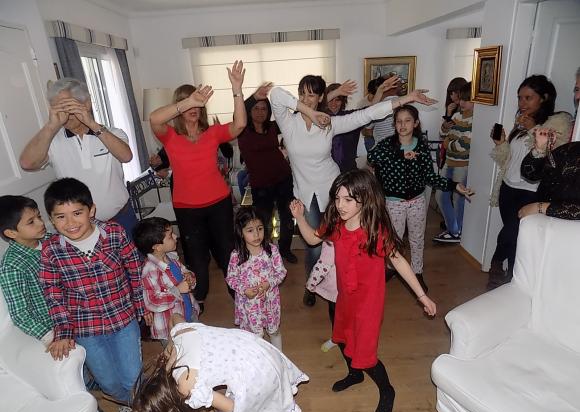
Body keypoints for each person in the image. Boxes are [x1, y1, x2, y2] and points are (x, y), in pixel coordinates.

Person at [270, 75, 436, 307]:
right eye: (302, 94)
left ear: (320, 98)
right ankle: (312, 284)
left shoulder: (329, 123)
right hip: (306, 193)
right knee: (314, 246)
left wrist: (405, 99)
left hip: (335, 192)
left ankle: (338, 288)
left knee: (338, 245)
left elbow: (365, 115)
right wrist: (309, 112)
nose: (306, 99)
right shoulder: (288, 122)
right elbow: (276, 94)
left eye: (312, 95)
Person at [289, 169, 437, 412]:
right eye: (337, 198)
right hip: (345, 298)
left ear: (365, 198)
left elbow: (398, 261)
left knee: (366, 355)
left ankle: (387, 390)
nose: (340, 205)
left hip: (369, 305)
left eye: (348, 199)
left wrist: (422, 296)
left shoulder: (375, 231)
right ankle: (354, 374)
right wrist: (300, 217)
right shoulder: (336, 224)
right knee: (343, 340)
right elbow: (313, 239)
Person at [40, 177, 149, 412]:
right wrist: (64, 331)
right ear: (52, 219)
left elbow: (135, 269)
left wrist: (141, 306)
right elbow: (53, 293)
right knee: (107, 382)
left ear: (91, 210)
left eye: (77, 213)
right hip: (86, 328)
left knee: (132, 376)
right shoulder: (51, 250)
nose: (70, 223)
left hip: (123, 319)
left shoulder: (114, 233)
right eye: (61, 217)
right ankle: (127, 402)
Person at [149, 61, 247, 312]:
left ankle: (238, 294)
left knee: (227, 253)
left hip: (219, 204)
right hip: (187, 208)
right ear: (180, 107)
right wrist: (188, 101)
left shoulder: (212, 133)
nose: (194, 108)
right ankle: (198, 298)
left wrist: (237, 89)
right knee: (196, 258)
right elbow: (154, 118)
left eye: (197, 103)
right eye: (188, 104)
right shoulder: (170, 136)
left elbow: (239, 125)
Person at [132, 316, 309, 412]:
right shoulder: (180, 334)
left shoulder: (187, 388)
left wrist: (213, 402)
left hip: (257, 372)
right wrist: (171, 345)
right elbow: (175, 317)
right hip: (259, 348)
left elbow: (229, 407)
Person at [368, 105, 473, 292]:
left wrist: (454, 185)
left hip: (417, 201)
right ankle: (392, 267)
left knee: (417, 239)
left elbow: (430, 177)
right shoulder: (387, 144)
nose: (403, 125)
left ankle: (417, 272)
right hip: (393, 202)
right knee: (394, 240)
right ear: (394, 124)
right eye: (399, 121)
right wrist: (400, 154)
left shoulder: (422, 146)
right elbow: (372, 157)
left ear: (415, 123)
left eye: (407, 121)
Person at [19, 78, 138, 237]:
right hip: (78, 228)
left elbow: (126, 156)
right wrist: (51, 126)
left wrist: (92, 124)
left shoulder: (112, 133)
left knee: (134, 254)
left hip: (121, 219)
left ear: (86, 104)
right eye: (59, 108)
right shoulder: (52, 141)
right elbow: (27, 163)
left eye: (69, 106)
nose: (66, 115)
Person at [488, 75, 573, 290]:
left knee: (513, 233)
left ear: (544, 98)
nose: (522, 103)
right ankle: (509, 277)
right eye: (520, 98)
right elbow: (509, 159)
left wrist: (534, 127)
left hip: (531, 191)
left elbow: (552, 156)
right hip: (508, 187)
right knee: (513, 234)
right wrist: (500, 143)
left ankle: (497, 264)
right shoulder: (521, 123)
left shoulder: (556, 123)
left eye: (528, 98)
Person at [237, 83, 297, 264]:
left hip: (283, 178)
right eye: (256, 108)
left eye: (264, 108)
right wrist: (254, 97)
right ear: (249, 111)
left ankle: (285, 249)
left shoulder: (272, 126)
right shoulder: (242, 129)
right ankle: (266, 252)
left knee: (287, 217)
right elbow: (239, 112)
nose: (260, 112)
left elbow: (295, 116)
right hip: (261, 184)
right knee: (263, 222)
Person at [226, 207, 286, 350]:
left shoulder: (271, 250)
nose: (256, 234)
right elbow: (231, 278)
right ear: (240, 232)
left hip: (270, 301)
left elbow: (281, 272)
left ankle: (279, 357)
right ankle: (260, 358)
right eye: (250, 230)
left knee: (274, 331)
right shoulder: (236, 255)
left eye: (260, 228)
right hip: (249, 304)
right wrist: (244, 290)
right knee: (256, 336)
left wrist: (269, 283)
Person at [133, 217, 199, 345]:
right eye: (170, 236)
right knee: (179, 355)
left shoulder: (171, 259)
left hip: (189, 313)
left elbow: (184, 273)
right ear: (157, 247)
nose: (175, 236)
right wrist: (177, 290)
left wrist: (189, 276)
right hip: (170, 329)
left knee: (196, 348)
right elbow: (153, 300)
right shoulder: (149, 270)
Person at [0, 196, 53, 345]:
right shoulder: (12, 266)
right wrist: (49, 336)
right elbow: (20, 314)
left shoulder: (51, 239)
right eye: (31, 222)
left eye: (39, 216)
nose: (41, 223)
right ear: (11, 233)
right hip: (54, 326)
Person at [433, 81, 474, 243]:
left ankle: (456, 231)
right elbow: (443, 134)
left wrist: (447, 142)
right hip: (449, 162)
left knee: (459, 198)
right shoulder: (457, 116)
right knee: (440, 196)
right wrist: (445, 127)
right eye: (461, 98)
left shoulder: (475, 121)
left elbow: (463, 146)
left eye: (467, 99)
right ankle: (454, 230)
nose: (462, 102)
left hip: (463, 165)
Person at [518, 128, 580, 220]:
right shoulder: (574, 148)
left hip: (564, 226)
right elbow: (530, 174)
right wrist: (539, 149)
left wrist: (539, 207)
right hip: (539, 218)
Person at [305, 240, 338, 352]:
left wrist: (311, 284)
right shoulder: (332, 241)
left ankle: (338, 338)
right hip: (338, 289)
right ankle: (337, 338)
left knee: (337, 314)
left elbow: (323, 265)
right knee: (339, 314)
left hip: (341, 288)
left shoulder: (331, 241)